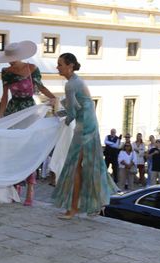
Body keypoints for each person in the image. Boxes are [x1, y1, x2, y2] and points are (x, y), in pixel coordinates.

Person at [51, 53, 117, 219]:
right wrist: (59, 114)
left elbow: (72, 114)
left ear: (70, 65)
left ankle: (74, 209)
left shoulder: (71, 85)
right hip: (88, 125)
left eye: (60, 64)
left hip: (84, 128)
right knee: (84, 167)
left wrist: (55, 123)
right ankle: (87, 205)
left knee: (76, 167)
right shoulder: (75, 82)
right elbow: (75, 108)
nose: (57, 67)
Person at [0, 40, 56, 206]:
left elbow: (40, 87)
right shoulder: (5, 71)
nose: (10, 60)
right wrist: (0, 117)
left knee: (29, 147)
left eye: (13, 57)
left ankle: (31, 187)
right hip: (13, 110)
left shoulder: (32, 69)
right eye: (9, 57)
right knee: (13, 149)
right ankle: (16, 184)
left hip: (29, 110)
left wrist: (53, 97)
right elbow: (5, 95)